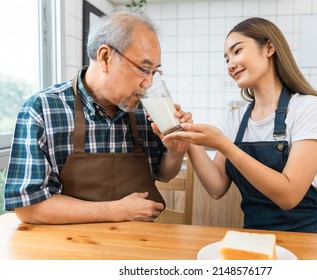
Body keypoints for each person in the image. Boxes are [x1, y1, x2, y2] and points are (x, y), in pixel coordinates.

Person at [4, 10, 191, 224]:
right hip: (69, 250)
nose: (148, 83)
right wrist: (118, 211)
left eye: (154, 72)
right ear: (105, 57)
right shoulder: (42, 109)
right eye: (144, 69)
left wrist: (176, 152)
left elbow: (163, 173)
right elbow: (28, 207)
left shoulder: (144, 110)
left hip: (139, 246)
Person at [163, 17, 317, 235]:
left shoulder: (308, 107)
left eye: (237, 51)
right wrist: (188, 137)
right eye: (226, 58)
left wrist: (225, 146)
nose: (230, 64)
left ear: (269, 48)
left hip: (311, 235)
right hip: (256, 238)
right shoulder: (236, 119)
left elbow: (289, 196)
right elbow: (217, 187)